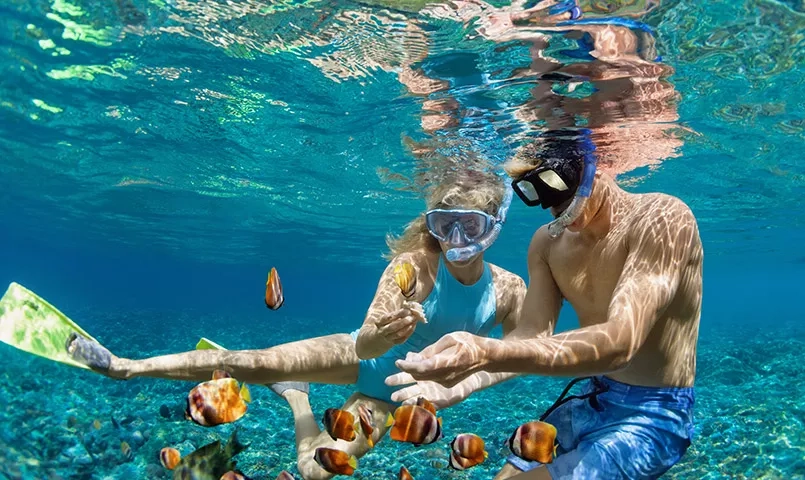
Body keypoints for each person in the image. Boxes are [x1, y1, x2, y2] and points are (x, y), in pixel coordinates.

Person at [65, 169, 528, 480]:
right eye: (444, 224)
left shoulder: (509, 290)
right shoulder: (414, 267)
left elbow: (524, 355)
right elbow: (366, 344)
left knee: (314, 471)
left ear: (495, 227)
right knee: (245, 362)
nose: (456, 239)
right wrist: (383, 333)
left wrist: (466, 381)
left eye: (470, 225)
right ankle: (124, 365)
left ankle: (296, 396)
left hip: (394, 398)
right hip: (357, 357)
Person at [386, 128, 703, 480]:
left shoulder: (663, 218)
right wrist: (465, 382)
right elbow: (532, 333)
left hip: (654, 412)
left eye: (559, 188)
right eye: (540, 195)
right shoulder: (547, 244)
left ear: (591, 165)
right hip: (592, 395)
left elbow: (621, 343)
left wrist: (484, 353)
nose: (555, 208)